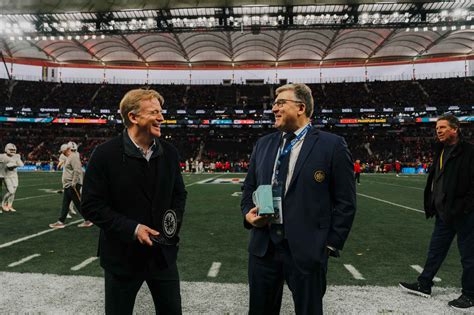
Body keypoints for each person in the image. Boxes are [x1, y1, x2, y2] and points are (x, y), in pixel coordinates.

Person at [241, 83, 356, 315]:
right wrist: (248, 214)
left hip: (308, 250)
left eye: (281, 103)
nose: (274, 108)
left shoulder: (332, 145)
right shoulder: (263, 144)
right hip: (264, 248)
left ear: (301, 107)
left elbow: (346, 201)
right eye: (274, 103)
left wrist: (329, 244)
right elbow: (249, 188)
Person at [81, 88, 187, 315]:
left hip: (162, 255)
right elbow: (91, 205)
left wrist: (171, 225)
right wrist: (133, 229)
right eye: (154, 112)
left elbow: (179, 195)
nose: (161, 117)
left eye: (161, 112)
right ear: (133, 117)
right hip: (122, 257)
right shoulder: (104, 154)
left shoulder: (170, 153)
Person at [399, 114, 474, 310]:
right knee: (435, 251)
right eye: (437, 128)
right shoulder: (440, 149)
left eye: (442, 127)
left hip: (465, 215)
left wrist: (464, 207)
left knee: (469, 255)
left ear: (455, 129)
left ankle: (470, 294)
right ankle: (424, 284)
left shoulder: (469, 151)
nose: (438, 131)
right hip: (444, 212)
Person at [49, 142, 92, 228]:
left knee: (78, 203)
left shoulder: (73, 157)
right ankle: (60, 221)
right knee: (65, 203)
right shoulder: (69, 157)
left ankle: (88, 220)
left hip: (72, 185)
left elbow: (77, 170)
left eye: (62, 151)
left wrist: (74, 182)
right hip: (68, 185)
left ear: (66, 150)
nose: (62, 153)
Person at [0, 143, 24, 212]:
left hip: (14, 176)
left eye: (14, 150)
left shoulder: (17, 156)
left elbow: (21, 164)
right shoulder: (2, 156)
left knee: (13, 192)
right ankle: (3, 204)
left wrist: (14, 164)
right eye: (11, 149)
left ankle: (9, 205)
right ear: (6, 149)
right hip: (5, 175)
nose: (13, 151)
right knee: (11, 191)